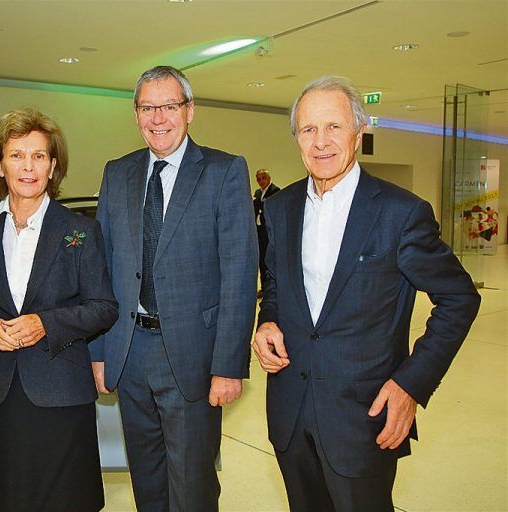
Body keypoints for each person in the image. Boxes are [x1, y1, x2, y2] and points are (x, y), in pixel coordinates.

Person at [252, 76, 481, 512]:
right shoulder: (281, 208)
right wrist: (268, 321)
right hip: (289, 410)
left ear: (358, 134)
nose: (321, 141)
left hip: (364, 416)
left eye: (334, 127)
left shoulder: (400, 213)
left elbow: (459, 299)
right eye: (308, 129)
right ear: (296, 137)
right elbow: (278, 286)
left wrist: (410, 384)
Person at [90, 66, 257, 511]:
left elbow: (240, 274)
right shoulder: (117, 173)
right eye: (148, 107)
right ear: (136, 114)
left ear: (189, 110)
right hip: (129, 351)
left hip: (192, 355)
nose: (158, 118)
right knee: (146, 479)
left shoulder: (224, 171)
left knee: (192, 484)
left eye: (168, 106)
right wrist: (99, 352)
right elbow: (100, 270)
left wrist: (228, 366)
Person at [0, 107, 118, 512]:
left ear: (53, 166)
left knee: (64, 501)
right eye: (16, 155)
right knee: (4, 499)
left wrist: (46, 323)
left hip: (60, 393)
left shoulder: (80, 230)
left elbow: (103, 307)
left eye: (39, 156)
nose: (28, 167)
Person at [253, 168, 279, 293]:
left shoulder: (275, 191)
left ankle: (272, 289)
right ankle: (263, 288)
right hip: (259, 231)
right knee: (261, 260)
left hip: (269, 231)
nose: (261, 181)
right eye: (258, 179)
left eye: (263, 178)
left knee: (269, 260)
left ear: (269, 178)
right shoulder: (258, 193)